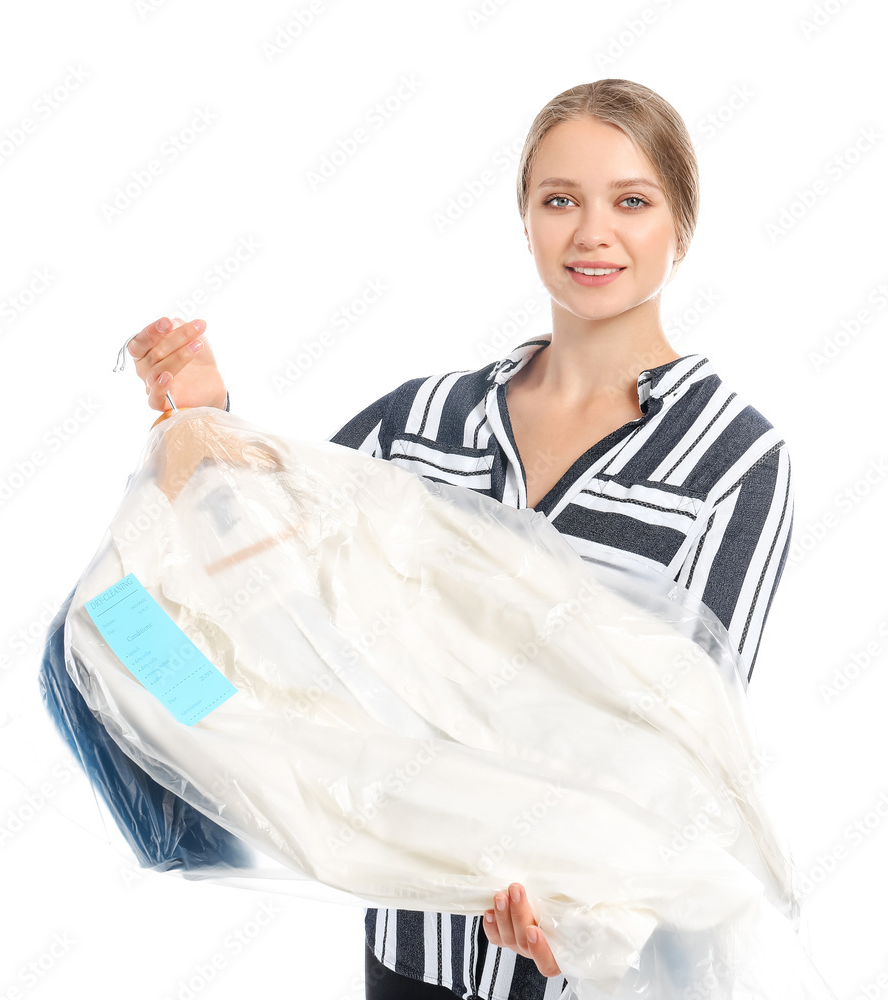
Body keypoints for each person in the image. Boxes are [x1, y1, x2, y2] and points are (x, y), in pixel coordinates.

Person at [123, 78, 794, 1000]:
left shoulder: (735, 457)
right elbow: (269, 584)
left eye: (631, 201)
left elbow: (688, 741)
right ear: (525, 221)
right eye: (560, 200)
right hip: (414, 949)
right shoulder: (423, 421)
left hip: (586, 963)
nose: (593, 233)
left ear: (680, 223)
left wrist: (587, 913)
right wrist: (204, 418)